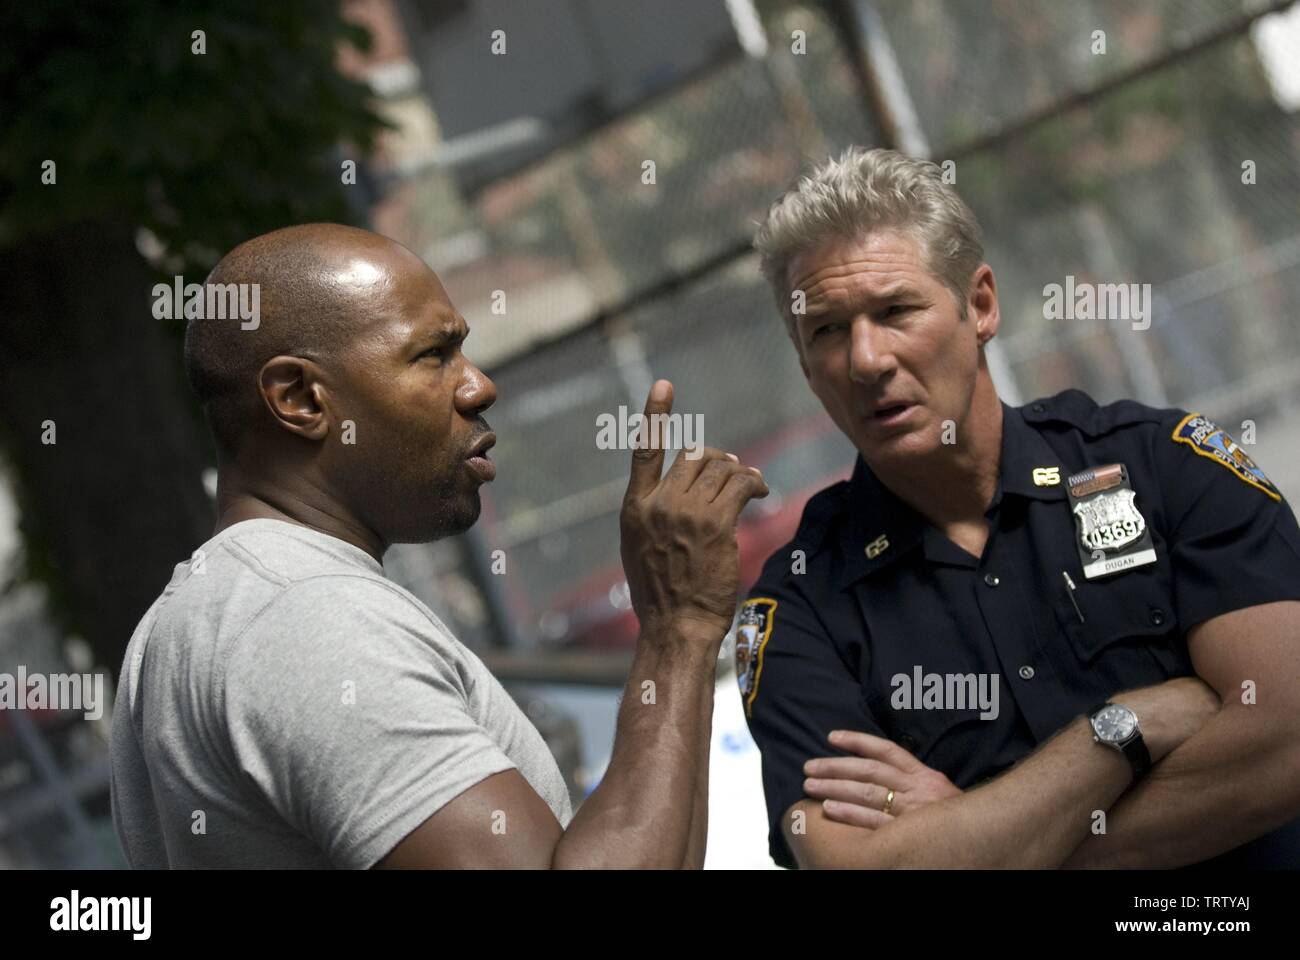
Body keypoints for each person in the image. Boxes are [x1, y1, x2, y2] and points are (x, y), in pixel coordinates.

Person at [110, 223, 768, 868]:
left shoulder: (189, 625)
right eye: (433, 355)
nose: (479, 386)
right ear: (301, 398)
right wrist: (676, 630)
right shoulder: (308, 621)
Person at [739, 147, 1300, 869]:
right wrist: (1119, 733)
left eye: (896, 309)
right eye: (826, 330)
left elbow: (1287, 735)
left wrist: (991, 845)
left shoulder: (1165, 464)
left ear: (979, 305)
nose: (866, 359)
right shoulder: (800, 610)